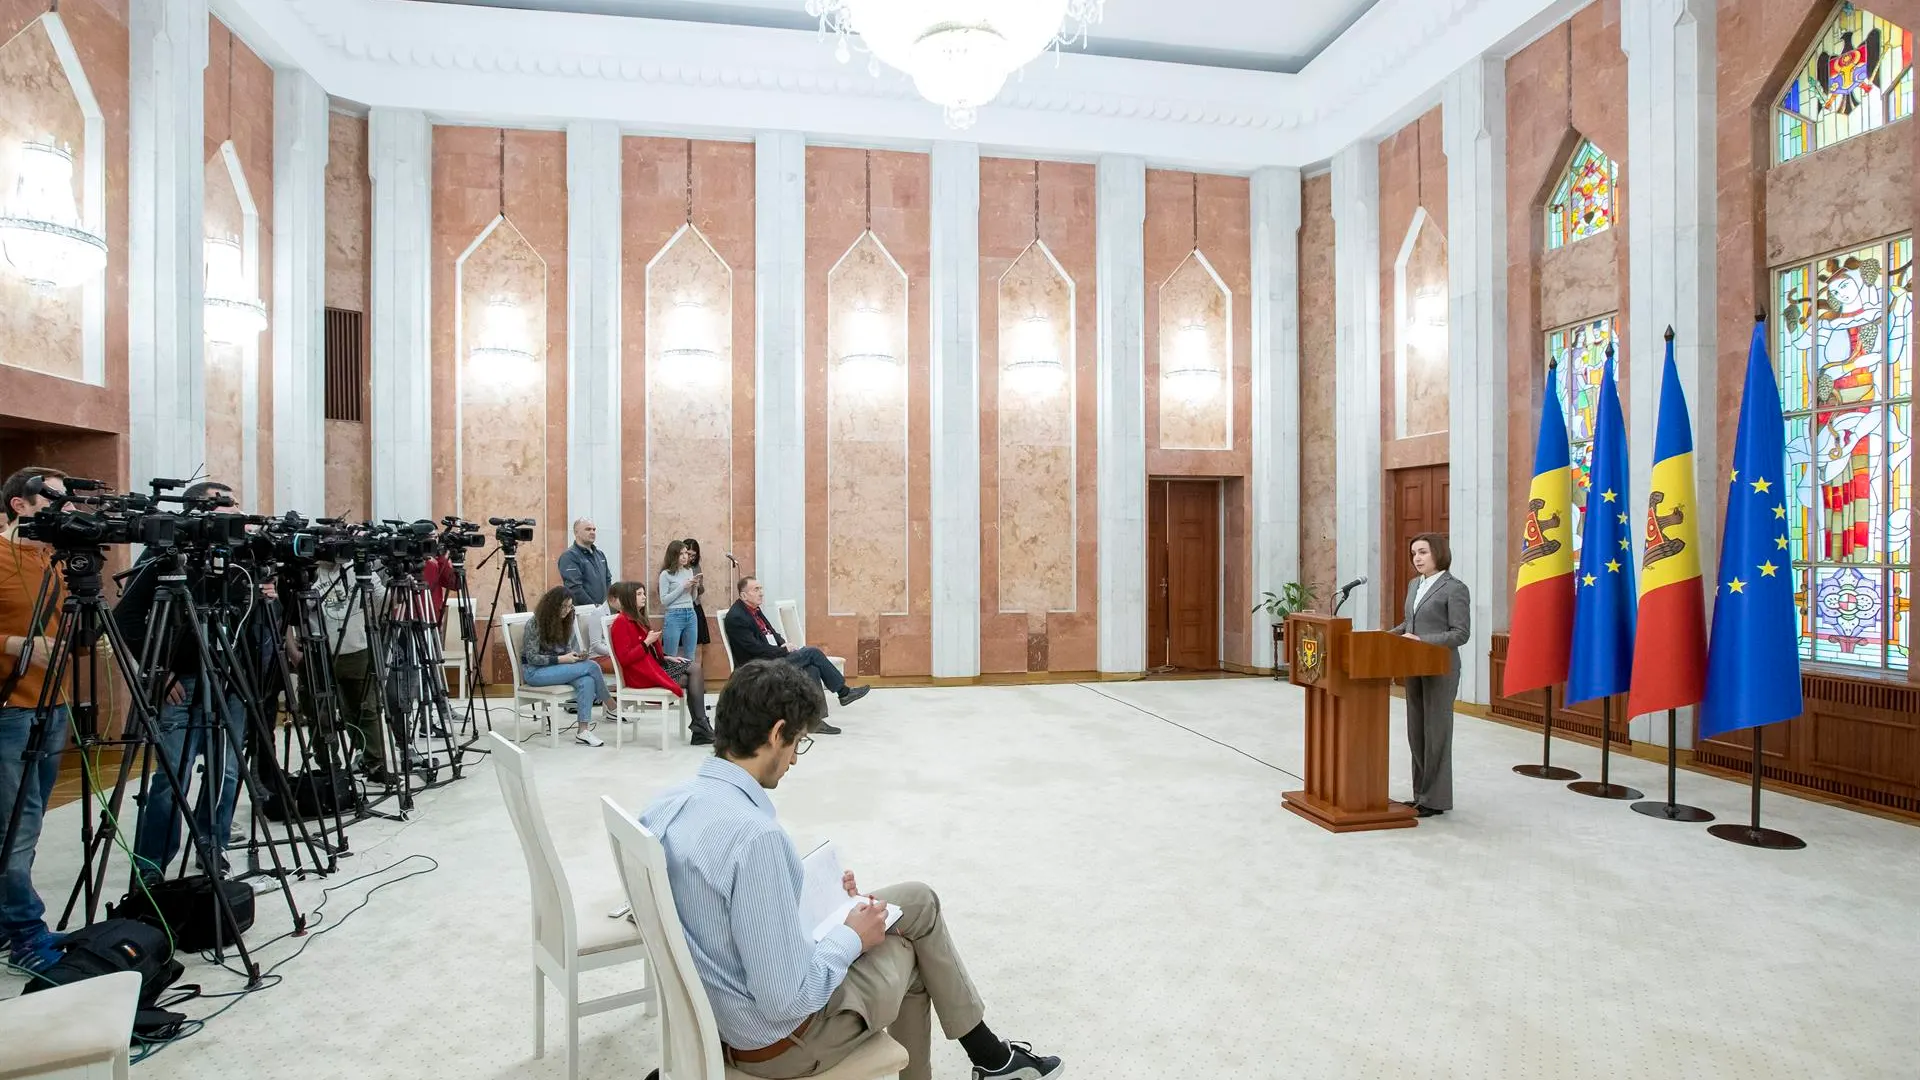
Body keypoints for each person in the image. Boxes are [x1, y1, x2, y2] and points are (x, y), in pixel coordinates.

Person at [639, 660, 1063, 1080]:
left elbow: (720, 901)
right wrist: (850, 938)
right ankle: (988, 1058)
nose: (794, 761)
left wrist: (820, 901)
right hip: (781, 1044)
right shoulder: (755, 839)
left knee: (918, 900)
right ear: (775, 734)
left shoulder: (668, 807)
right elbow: (786, 1000)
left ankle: (990, 1057)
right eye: (797, 743)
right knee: (910, 951)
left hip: (720, 1015)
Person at [113, 480, 250, 883]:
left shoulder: (238, 556)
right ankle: (151, 866)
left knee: (226, 771)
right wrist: (160, 671)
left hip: (229, 678)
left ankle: (214, 845)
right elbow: (126, 618)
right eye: (224, 506)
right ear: (197, 511)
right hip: (181, 680)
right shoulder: (163, 554)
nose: (234, 514)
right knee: (173, 775)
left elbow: (244, 615)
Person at [0, 466, 70, 973]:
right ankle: (25, 930)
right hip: (10, 709)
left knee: (30, 817)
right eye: (52, 499)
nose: (62, 508)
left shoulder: (57, 558)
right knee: (15, 825)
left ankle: (10, 918)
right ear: (19, 506)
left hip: (54, 702)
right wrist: (14, 646)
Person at [1390, 532, 1471, 818]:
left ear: (1438, 553)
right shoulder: (1415, 585)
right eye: (1414, 553)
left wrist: (1422, 641)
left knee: (1436, 733)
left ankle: (1435, 799)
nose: (1417, 558)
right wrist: (1383, 637)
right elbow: (1408, 623)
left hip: (1440, 668)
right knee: (1417, 732)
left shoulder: (1455, 588)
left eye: (1423, 552)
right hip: (1415, 666)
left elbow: (1460, 634)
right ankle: (1419, 794)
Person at [723, 576, 869, 732]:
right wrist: (783, 650)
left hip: (771, 657)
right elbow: (755, 648)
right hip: (758, 666)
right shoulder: (737, 617)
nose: (761, 593)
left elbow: (772, 632)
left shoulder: (754, 609)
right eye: (756, 589)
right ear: (744, 595)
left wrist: (783, 643)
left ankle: (814, 720)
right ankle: (843, 692)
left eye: (761, 588)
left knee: (812, 668)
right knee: (812, 653)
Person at [606, 580, 714, 745]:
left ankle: (700, 726)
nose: (643, 597)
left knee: (695, 669)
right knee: (692, 678)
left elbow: (647, 649)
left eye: (643, 593)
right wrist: (646, 643)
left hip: (650, 666)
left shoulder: (638, 618)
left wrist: (665, 656)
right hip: (639, 675)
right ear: (629, 598)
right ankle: (700, 727)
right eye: (639, 594)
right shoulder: (621, 622)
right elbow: (625, 658)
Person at [317, 549, 391, 780]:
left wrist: (400, 584)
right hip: (318, 651)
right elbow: (289, 615)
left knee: (367, 709)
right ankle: (331, 768)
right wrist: (293, 652)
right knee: (321, 714)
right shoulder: (309, 572)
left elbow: (381, 601)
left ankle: (374, 763)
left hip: (358, 649)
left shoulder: (359, 567)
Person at [521, 586, 611, 747]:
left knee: (587, 681)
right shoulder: (534, 623)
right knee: (592, 666)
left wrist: (575, 656)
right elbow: (532, 658)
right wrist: (562, 659)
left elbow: (566, 650)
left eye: (569, 607)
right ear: (551, 605)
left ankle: (583, 731)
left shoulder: (565, 621)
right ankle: (610, 704)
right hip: (535, 673)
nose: (566, 611)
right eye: (563, 606)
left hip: (555, 669)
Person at [658, 540, 701, 663]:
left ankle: (690, 682)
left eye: (686, 553)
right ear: (673, 555)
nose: (684, 556)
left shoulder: (689, 571)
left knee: (690, 656)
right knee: (671, 656)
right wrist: (682, 587)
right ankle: (671, 682)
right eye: (680, 554)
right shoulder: (665, 574)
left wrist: (694, 587)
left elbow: (692, 598)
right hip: (674, 615)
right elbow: (664, 600)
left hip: (691, 614)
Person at [557, 518, 612, 607]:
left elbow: (608, 580)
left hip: (602, 609)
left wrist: (607, 604)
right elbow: (574, 588)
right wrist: (594, 607)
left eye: (594, 529)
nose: (592, 532)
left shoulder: (600, 554)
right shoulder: (569, 556)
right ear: (576, 533)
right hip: (583, 611)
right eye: (588, 529)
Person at [683, 537, 712, 652]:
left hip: (695, 606)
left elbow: (701, 590)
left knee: (697, 647)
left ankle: (695, 670)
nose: (690, 558)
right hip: (680, 608)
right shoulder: (671, 569)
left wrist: (698, 585)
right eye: (688, 554)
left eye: (693, 555)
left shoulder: (696, 567)